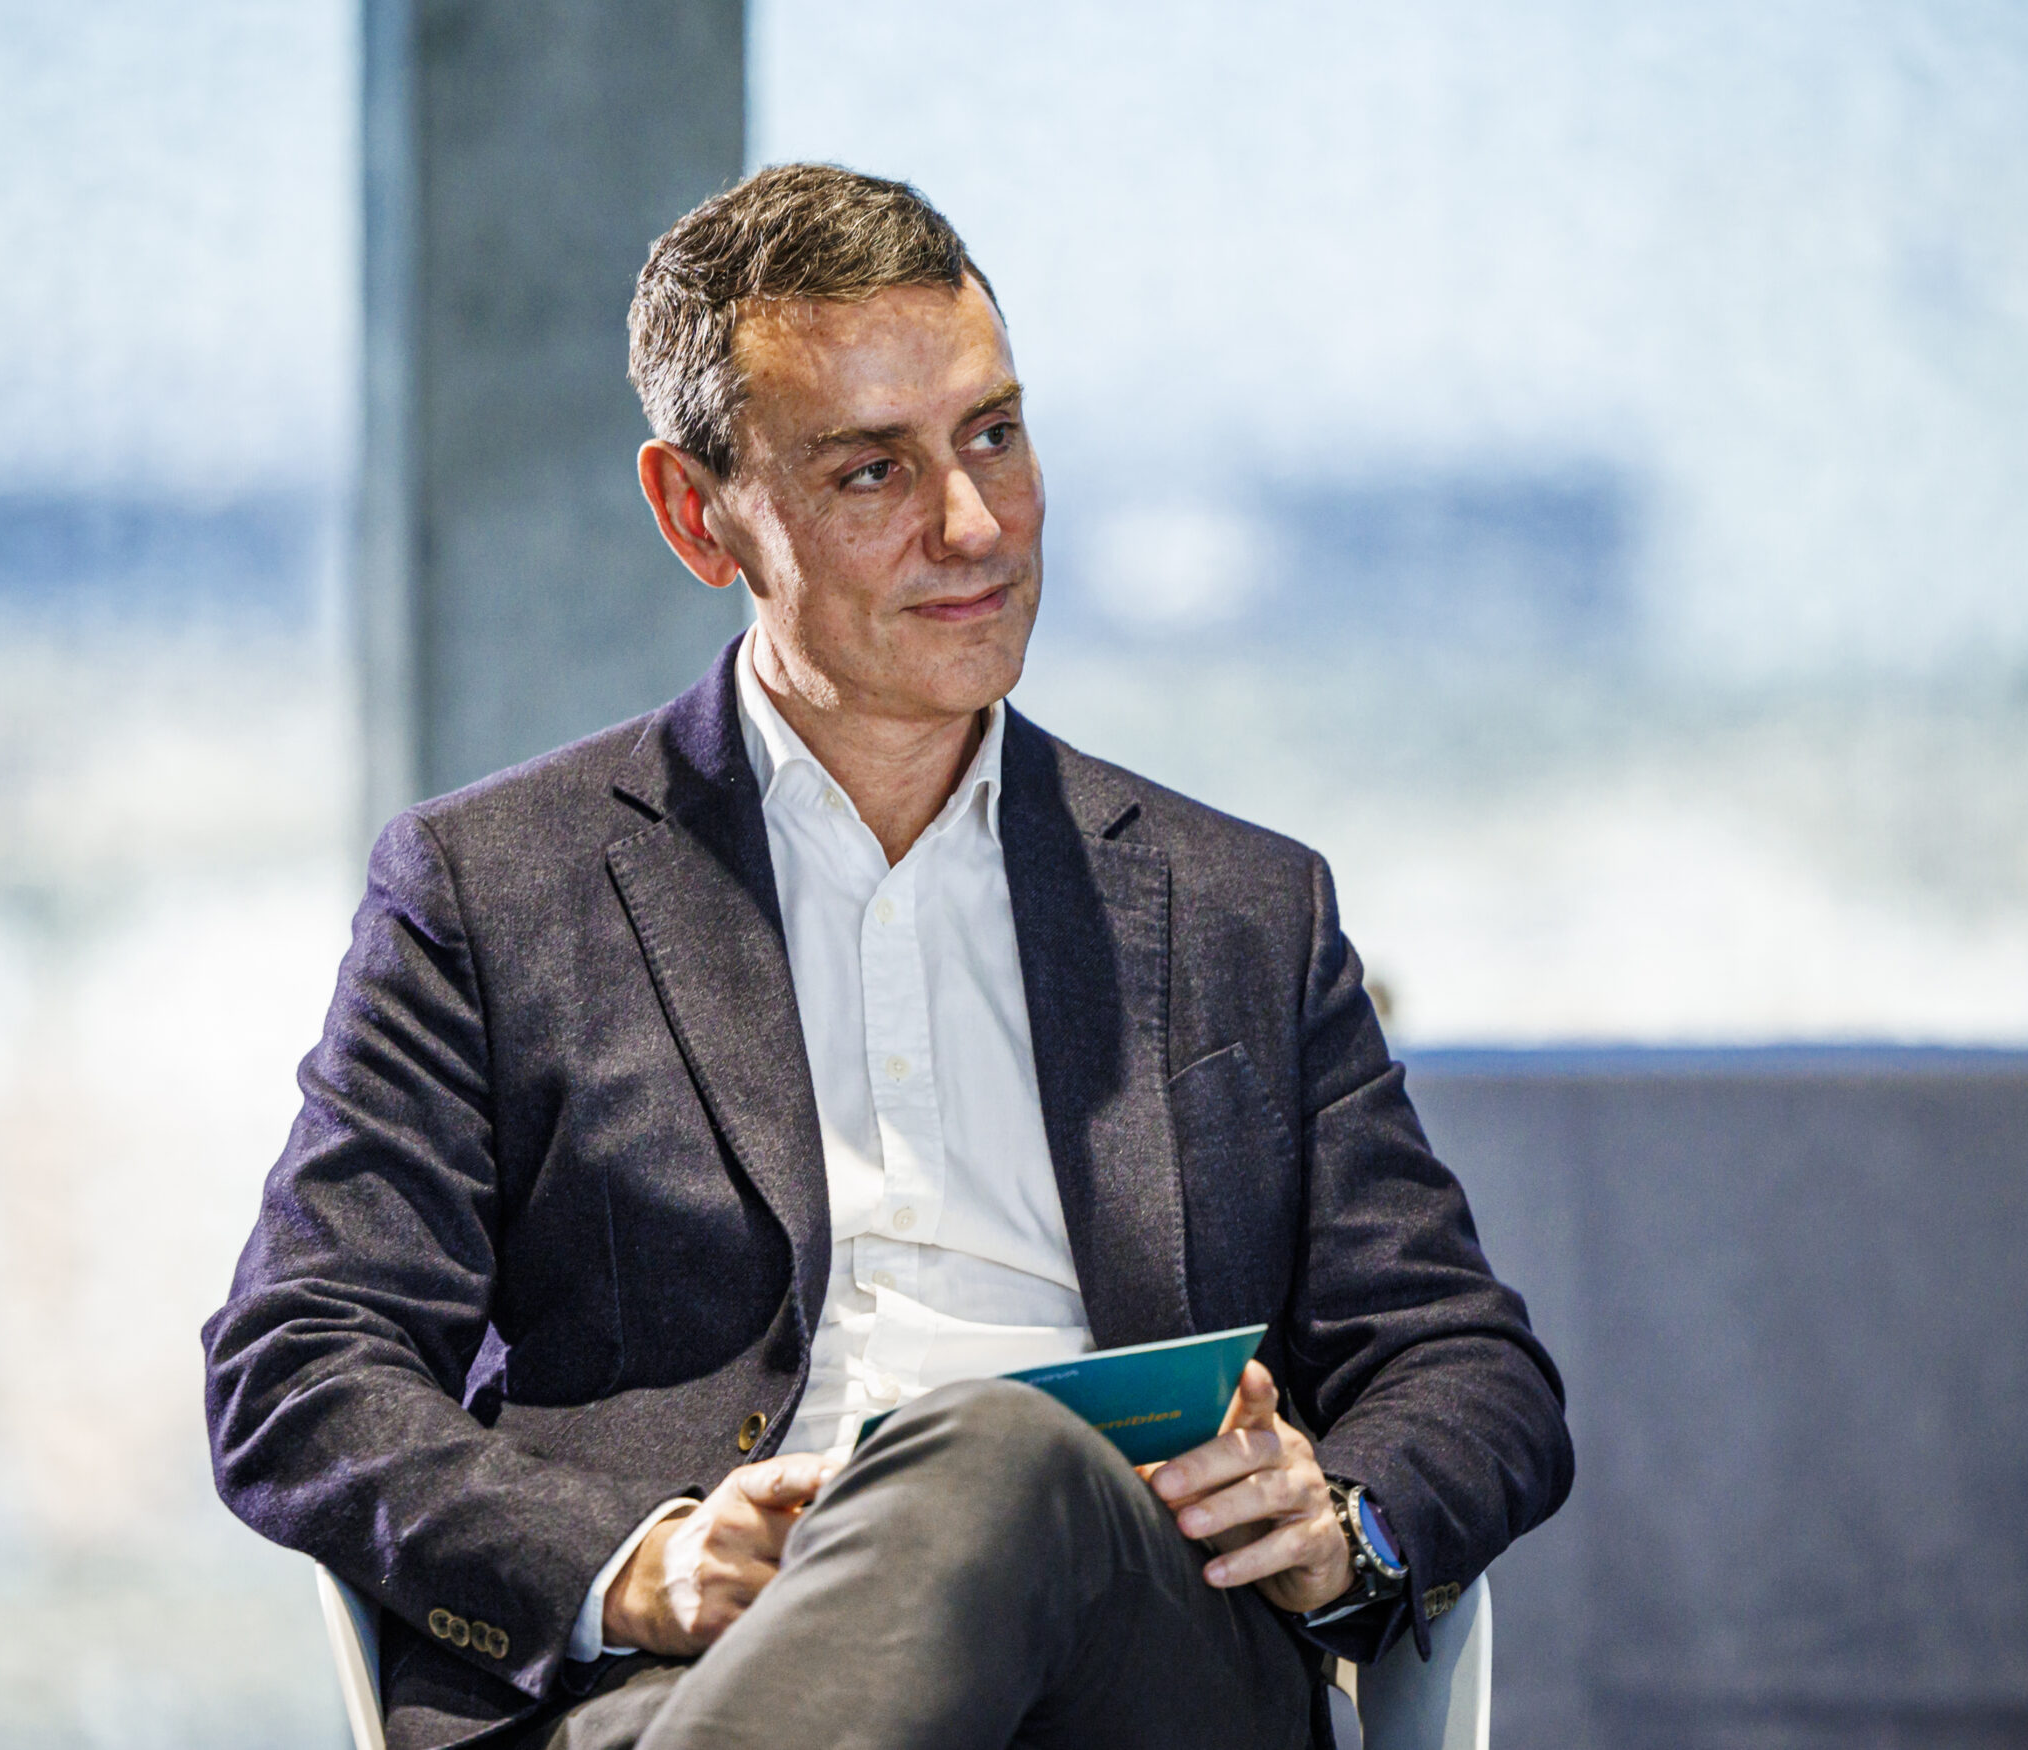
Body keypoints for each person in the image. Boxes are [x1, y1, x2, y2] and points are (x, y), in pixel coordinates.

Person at [203, 163, 1571, 1750]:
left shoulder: (1240, 908)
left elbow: (1470, 1364)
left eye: (994, 434)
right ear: (698, 514)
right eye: (873, 470)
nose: (973, 525)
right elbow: (300, 1360)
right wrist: (636, 1564)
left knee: (1002, 1459)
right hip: (671, 1685)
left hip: (1136, 1677)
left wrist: (1342, 1517)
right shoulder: (495, 889)